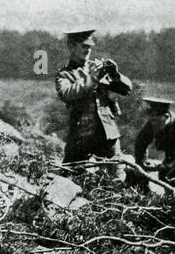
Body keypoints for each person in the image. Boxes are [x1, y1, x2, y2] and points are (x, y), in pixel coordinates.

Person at [55, 30, 132, 163]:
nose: (88, 50)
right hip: (80, 136)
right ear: (71, 46)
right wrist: (92, 78)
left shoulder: (98, 68)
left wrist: (115, 74)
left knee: (116, 177)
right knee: (71, 175)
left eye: (90, 46)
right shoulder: (65, 74)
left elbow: (126, 89)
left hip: (107, 133)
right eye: (84, 46)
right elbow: (67, 94)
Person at [133, 97, 175, 180]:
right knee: (162, 176)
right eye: (151, 118)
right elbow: (140, 143)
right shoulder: (152, 123)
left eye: (156, 120)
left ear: (166, 116)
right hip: (169, 158)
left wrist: (169, 166)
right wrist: (142, 163)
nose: (153, 124)